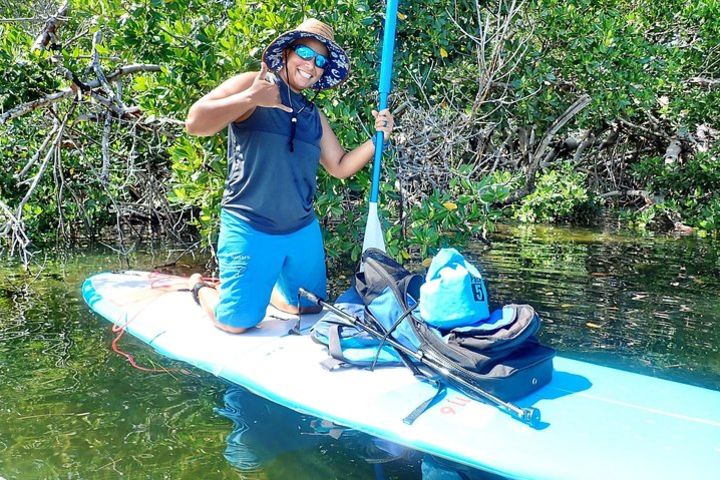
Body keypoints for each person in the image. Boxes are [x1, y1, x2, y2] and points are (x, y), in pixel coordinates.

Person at [184, 18, 395, 333]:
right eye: (305, 54)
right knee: (238, 323)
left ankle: (265, 288)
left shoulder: (314, 115)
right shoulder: (252, 84)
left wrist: (378, 139)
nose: (311, 65)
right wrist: (251, 99)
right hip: (250, 225)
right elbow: (195, 123)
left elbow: (339, 166)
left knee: (309, 307)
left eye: (321, 61)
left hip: (300, 230)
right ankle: (200, 289)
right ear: (286, 52)